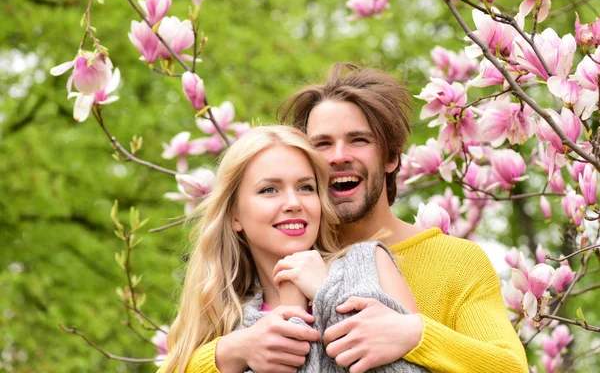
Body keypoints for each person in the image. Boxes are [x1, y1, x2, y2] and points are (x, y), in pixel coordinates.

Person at [176, 63, 530, 373]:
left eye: (358, 140)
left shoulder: (455, 262)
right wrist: (230, 352)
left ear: (390, 157)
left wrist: (416, 334)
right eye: (322, 144)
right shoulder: (268, 259)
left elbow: (512, 367)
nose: (338, 157)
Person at [159, 125, 426, 373]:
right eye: (269, 189)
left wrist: (328, 294)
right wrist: (233, 352)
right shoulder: (227, 317)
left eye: (305, 187)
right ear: (234, 216)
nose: (293, 202)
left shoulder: (370, 264)